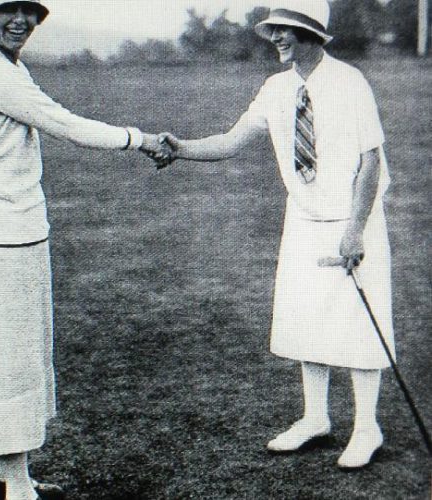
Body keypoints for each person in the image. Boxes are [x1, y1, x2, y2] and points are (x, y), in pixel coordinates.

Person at [159, 0, 394, 469]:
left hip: (351, 219)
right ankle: (315, 418)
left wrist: (355, 229)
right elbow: (230, 141)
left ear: (312, 34)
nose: (277, 38)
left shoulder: (350, 82)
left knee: (359, 327)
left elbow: (372, 162)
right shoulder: (275, 88)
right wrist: (180, 149)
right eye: (274, 30)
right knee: (306, 319)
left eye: (286, 30)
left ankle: (367, 427)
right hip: (303, 220)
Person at [0, 1, 169, 499]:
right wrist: (142, 139)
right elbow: (66, 124)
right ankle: (15, 490)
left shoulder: (9, 65)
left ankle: (8, 478)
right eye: (8, 10)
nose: (20, 20)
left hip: (12, 236)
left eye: (28, 10)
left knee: (17, 362)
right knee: (6, 365)